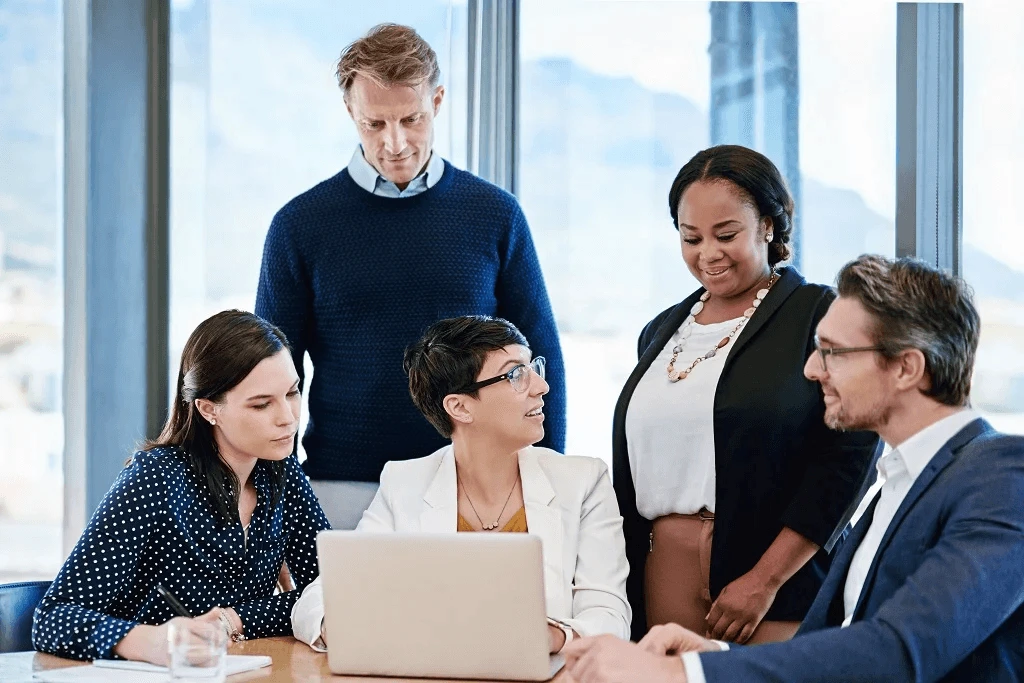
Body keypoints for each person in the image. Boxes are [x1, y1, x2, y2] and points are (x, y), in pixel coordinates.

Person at [562, 254, 1024, 683]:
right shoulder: (897, 487)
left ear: (905, 368)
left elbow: (902, 650)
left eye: (832, 351)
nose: (810, 369)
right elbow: (832, 649)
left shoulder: (1002, 476)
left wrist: (683, 674)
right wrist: (713, 656)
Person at [255, 23, 565, 531]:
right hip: (340, 486)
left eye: (411, 119)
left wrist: (545, 478)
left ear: (437, 101)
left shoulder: (495, 215)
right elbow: (269, 376)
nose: (395, 142)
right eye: (374, 124)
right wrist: (272, 496)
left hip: (475, 483)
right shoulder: (299, 226)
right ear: (350, 113)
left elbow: (541, 357)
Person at [613, 144, 878, 644]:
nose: (707, 253)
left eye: (726, 234)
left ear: (769, 226)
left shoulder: (820, 316)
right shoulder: (659, 331)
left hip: (768, 578)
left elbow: (848, 459)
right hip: (659, 565)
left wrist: (766, 580)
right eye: (691, 238)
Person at [291, 315, 629, 653]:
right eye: (516, 374)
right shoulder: (404, 483)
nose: (542, 386)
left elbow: (609, 613)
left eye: (533, 367)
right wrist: (357, 629)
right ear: (460, 407)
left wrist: (552, 637)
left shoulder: (583, 481)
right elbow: (318, 601)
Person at [32, 311, 331, 663]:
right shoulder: (154, 479)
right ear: (208, 409)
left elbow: (330, 592)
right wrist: (151, 641)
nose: (288, 417)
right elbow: (53, 618)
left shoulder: (282, 471)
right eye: (262, 404)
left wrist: (234, 619)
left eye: (293, 392)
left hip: (241, 669)